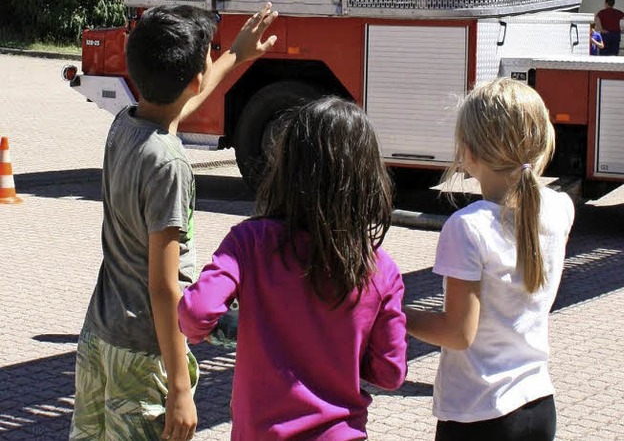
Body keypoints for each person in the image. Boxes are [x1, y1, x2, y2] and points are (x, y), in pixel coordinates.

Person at [69, 2, 278, 441]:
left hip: (99, 336)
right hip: (144, 355)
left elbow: (182, 101)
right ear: (194, 79)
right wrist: (180, 385)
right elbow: (164, 286)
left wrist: (235, 56)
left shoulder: (127, 125)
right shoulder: (169, 164)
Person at [178, 96, 407, 439]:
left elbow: (195, 314)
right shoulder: (380, 269)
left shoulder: (249, 242)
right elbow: (390, 372)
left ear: (287, 165)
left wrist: (241, 329)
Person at [404, 78, 574, 441]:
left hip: (478, 412)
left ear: (468, 152)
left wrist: (395, 314)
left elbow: (457, 333)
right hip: (539, 401)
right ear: (543, 144)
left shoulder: (467, 227)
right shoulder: (561, 208)